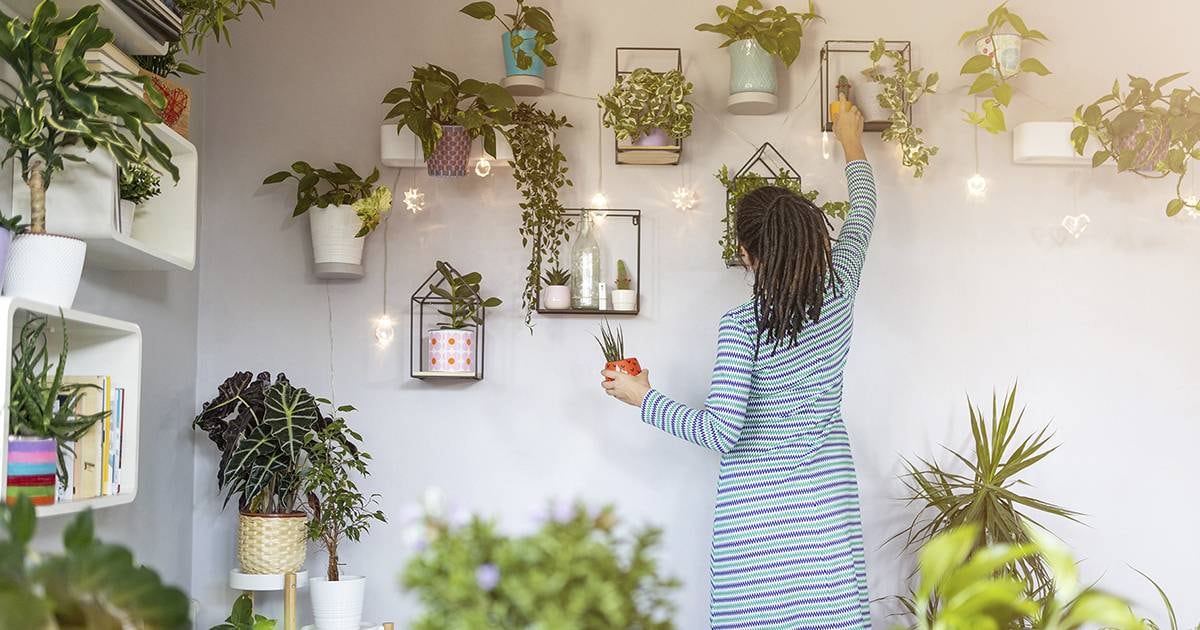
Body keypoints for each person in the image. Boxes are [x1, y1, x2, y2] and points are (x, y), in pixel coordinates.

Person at [601, 99, 875, 629]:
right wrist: (850, 139)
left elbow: (722, 432)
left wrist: (643, 399)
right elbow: (862, 212)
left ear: (748, 255)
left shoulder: (742, 325)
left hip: (756, 535)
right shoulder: (841, 286)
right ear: (811, 236)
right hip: (828, 519)